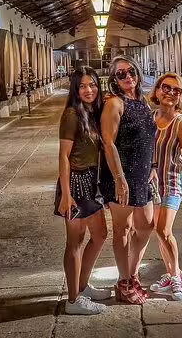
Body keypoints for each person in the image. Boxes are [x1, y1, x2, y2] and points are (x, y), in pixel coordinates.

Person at [100, 56, 157, 304]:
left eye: (130, 71)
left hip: (142, 174)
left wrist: (152, 165)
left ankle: (133, 274)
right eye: (120, 74)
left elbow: (148, 137)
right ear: (114, 80)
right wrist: (119, 178)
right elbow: (108, 142)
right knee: (122, 228)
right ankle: (124, 282)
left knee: (146, 225)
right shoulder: (115, 103)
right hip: (122, 174)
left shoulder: (142, 101)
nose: (127, 76)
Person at [55, 67, 111, 315]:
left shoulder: (93, 112)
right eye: (84, 86)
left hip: (91, 182)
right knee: (75, 243)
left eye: (93, 85)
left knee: (100, 235)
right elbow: (63, 157)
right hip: (76, 183)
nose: (89, 90)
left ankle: (82, 285)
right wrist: (66, 194)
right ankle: (73, 300)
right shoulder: (72, 114)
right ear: (76, 90)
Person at [148, 73, 182, 301]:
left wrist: (176, 176)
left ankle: (177, 275)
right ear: (157, 91)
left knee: (164, 230)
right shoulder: (150, 118)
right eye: (166, 88)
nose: (170, 93)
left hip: (172, 184)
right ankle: (168, 274)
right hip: (152, 186)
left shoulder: (181, 123)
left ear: (180, 97)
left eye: (176, 90)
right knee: (158, 231)